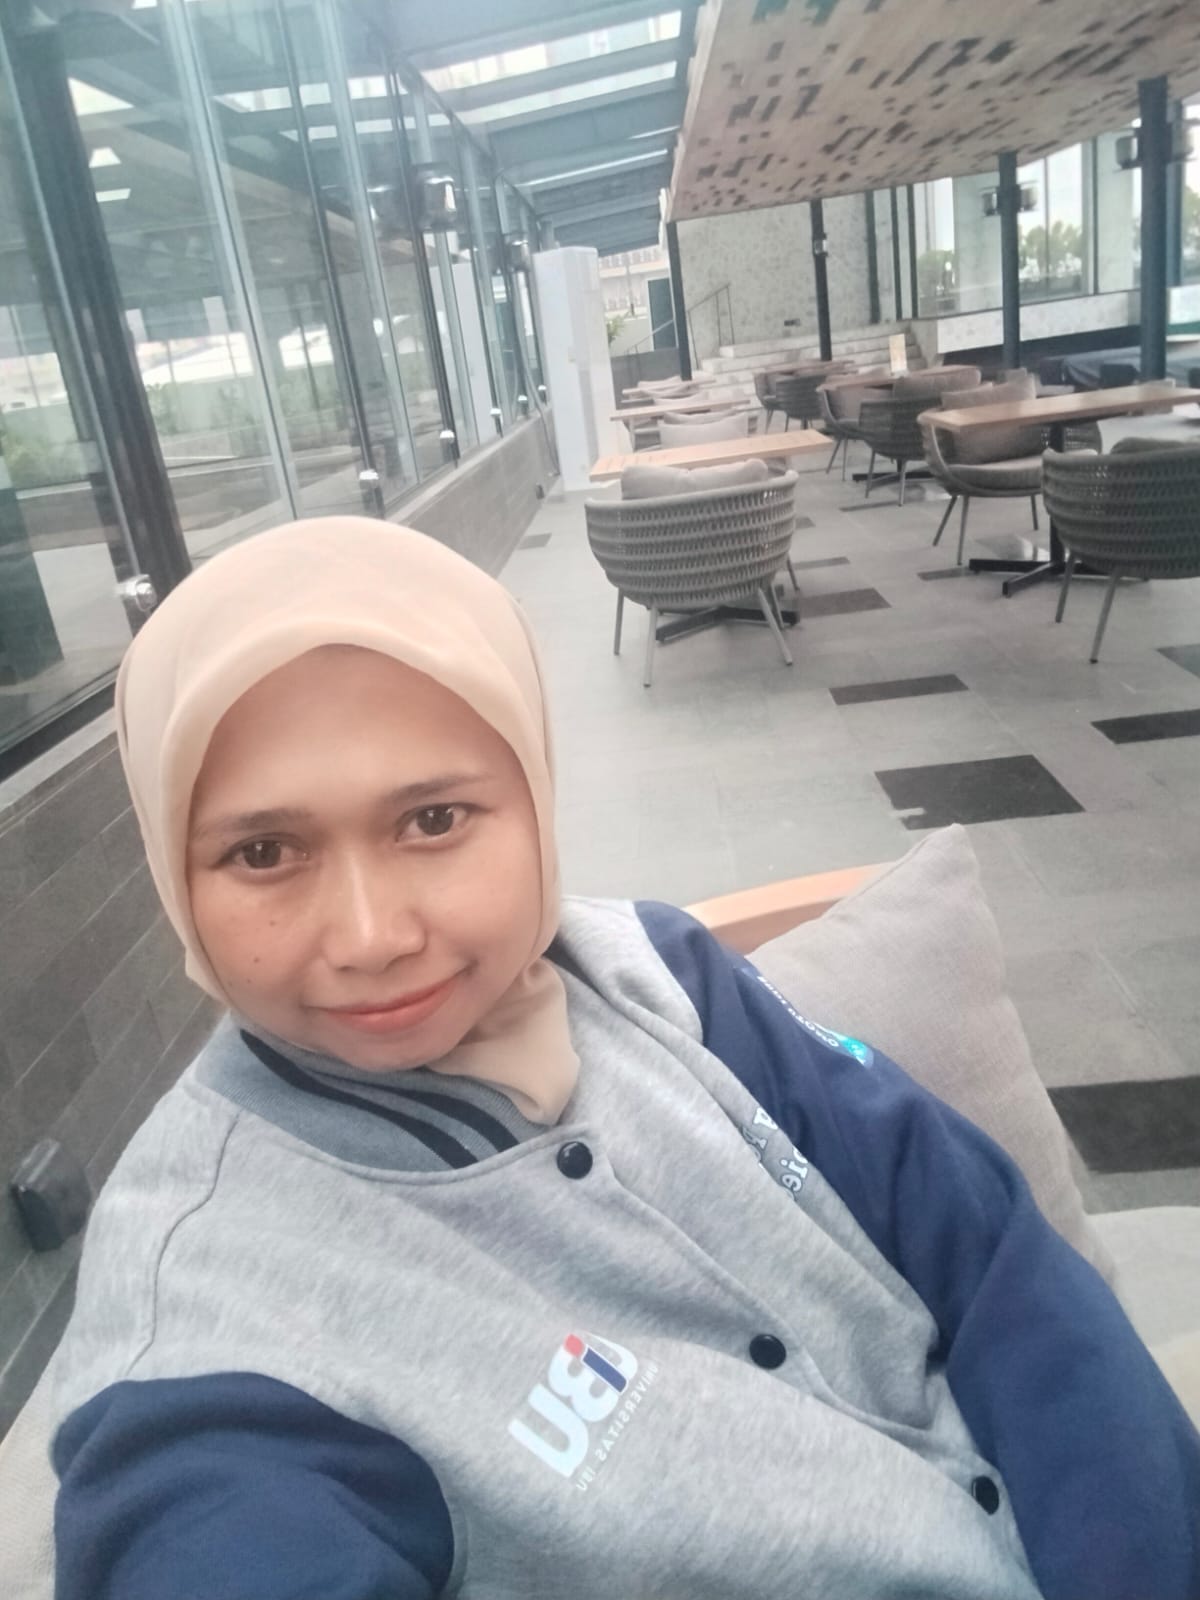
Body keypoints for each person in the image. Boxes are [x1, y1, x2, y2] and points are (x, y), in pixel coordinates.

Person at [43, 517, 1199, 1600]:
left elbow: (974, 1232)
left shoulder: (653, 966)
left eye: (433, 820)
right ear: (175, 875)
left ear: (535, 798)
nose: (371, 935)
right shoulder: (209, 1339)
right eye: (264, 850)